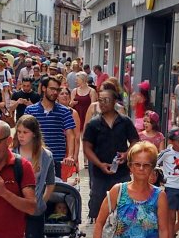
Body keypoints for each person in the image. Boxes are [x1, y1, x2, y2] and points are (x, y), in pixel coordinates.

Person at [83, 83, 139, 220]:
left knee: (123, 204)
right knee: (98, 204)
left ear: (114, 101)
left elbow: (135, 141)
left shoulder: (125, 122)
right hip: (99, 173)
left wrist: (127, 154)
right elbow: (87, 147)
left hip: (121, 171)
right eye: (100, 100)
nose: (102, 103)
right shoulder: (94, 124)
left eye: (106, 100)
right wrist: (99, 164)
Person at [25, 75, 77, 179]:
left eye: (57, 90)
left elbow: (70, 135)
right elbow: (25, 133)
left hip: (56, 160)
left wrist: (70, 156)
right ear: (44, 88)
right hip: (35, 159)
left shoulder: (64, 111)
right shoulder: (30, 110)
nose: (55, 92)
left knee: (56, 187)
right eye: (52, 89)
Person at [71, 72, 97, 166]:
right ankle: (75, 159)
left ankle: (87, 160)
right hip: (77, 117)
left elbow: (93, 106)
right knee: (76, 139)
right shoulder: (74, 91)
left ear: (83, 79)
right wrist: (72, 103)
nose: (76, 81)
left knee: (85, 139)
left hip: (87, 116)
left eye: (77, 79)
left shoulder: (92, 91)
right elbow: (70, 104)